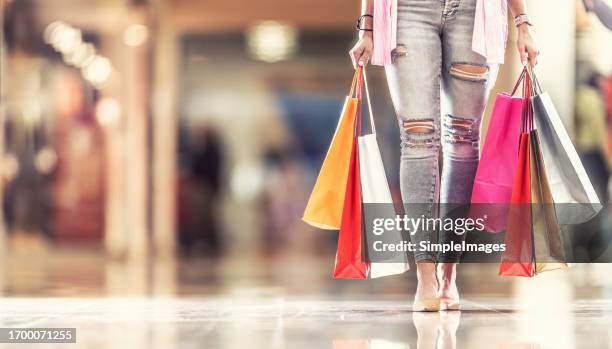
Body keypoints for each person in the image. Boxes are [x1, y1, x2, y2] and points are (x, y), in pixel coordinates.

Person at [348, 0, 539, 311]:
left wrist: (523, 22)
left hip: (475, 12)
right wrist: (367, 25)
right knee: (417, 137)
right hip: (407, 11)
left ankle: (448, 272)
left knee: (463, 142)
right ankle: (426, 276)